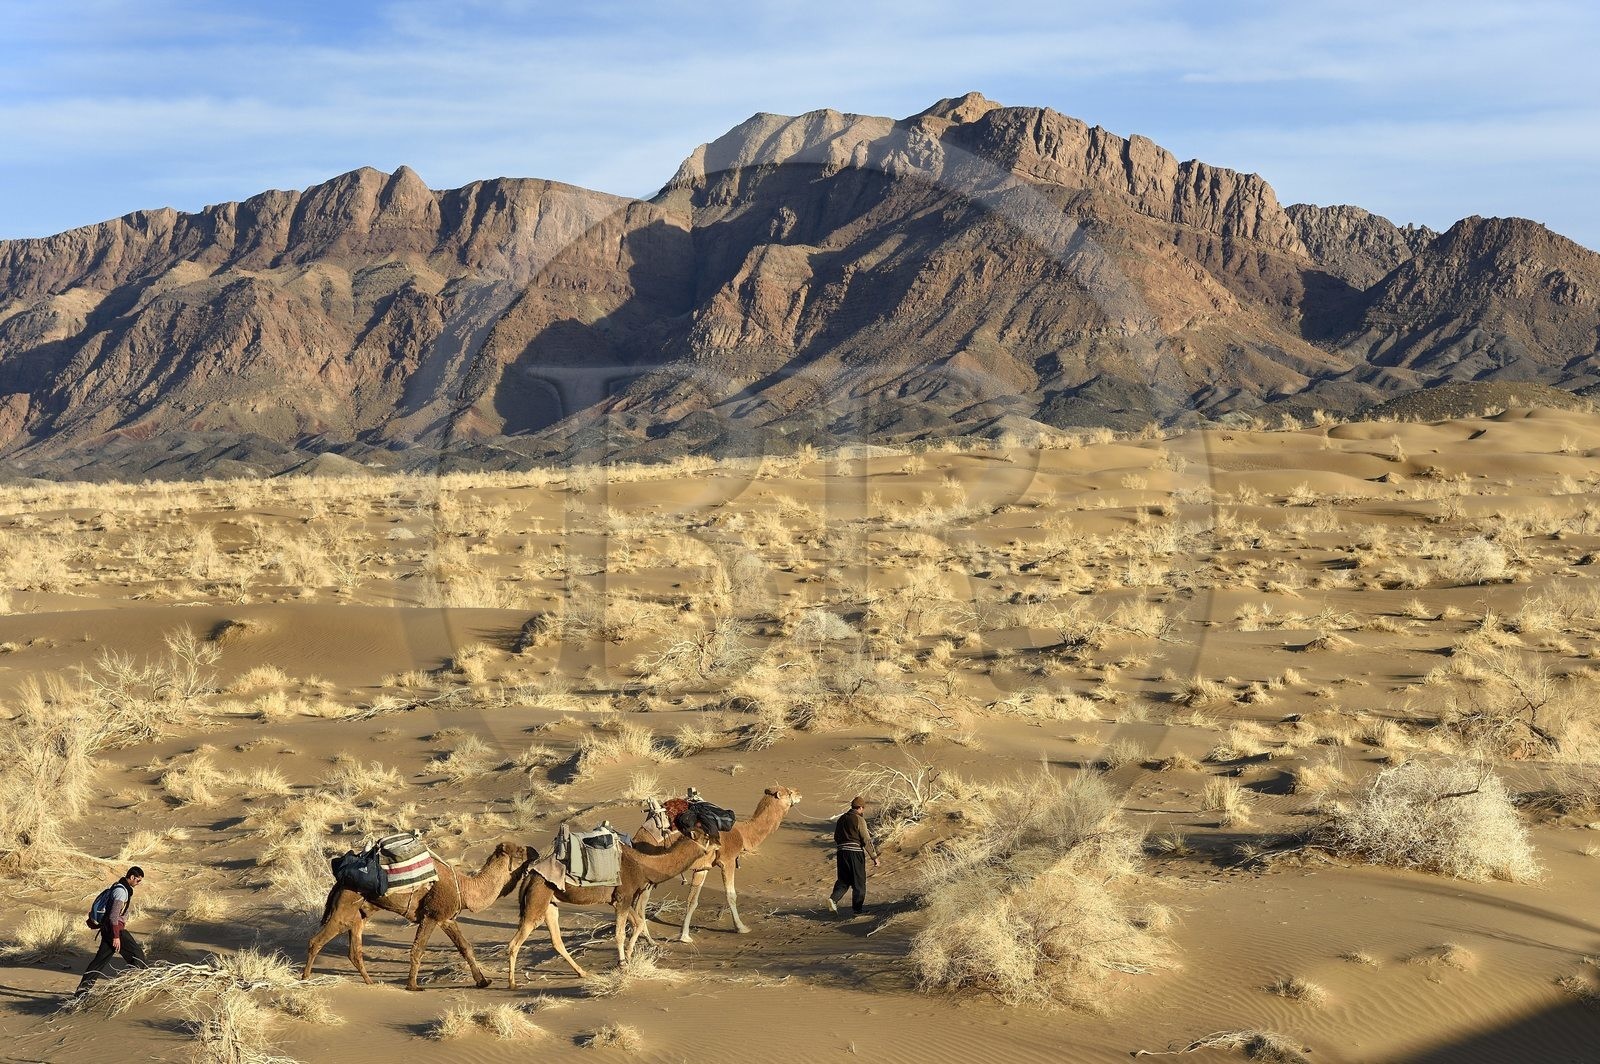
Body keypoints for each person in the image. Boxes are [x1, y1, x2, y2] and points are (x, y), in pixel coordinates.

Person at [77, 867, 148, 994]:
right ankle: (131, 987)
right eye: (138, 881)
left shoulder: (119, 887)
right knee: (138, 956)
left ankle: (81, 991)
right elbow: (114, 916)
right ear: (132, 877)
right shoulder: (121, 891)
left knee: (99, 962)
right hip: (115, 931)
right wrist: (116, 936)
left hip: (108, 929)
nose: (138, 883)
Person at [827, 797, 879, 916]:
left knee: (844, 880)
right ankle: (857, 910)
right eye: (863, 808)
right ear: (860, 808)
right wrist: (874, 857)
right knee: (859, 882)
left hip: (841, 853)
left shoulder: (841, 819)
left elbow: (836, 837)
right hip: (855, 853)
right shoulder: (859, 819)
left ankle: (833, 899)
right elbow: (866, 839)